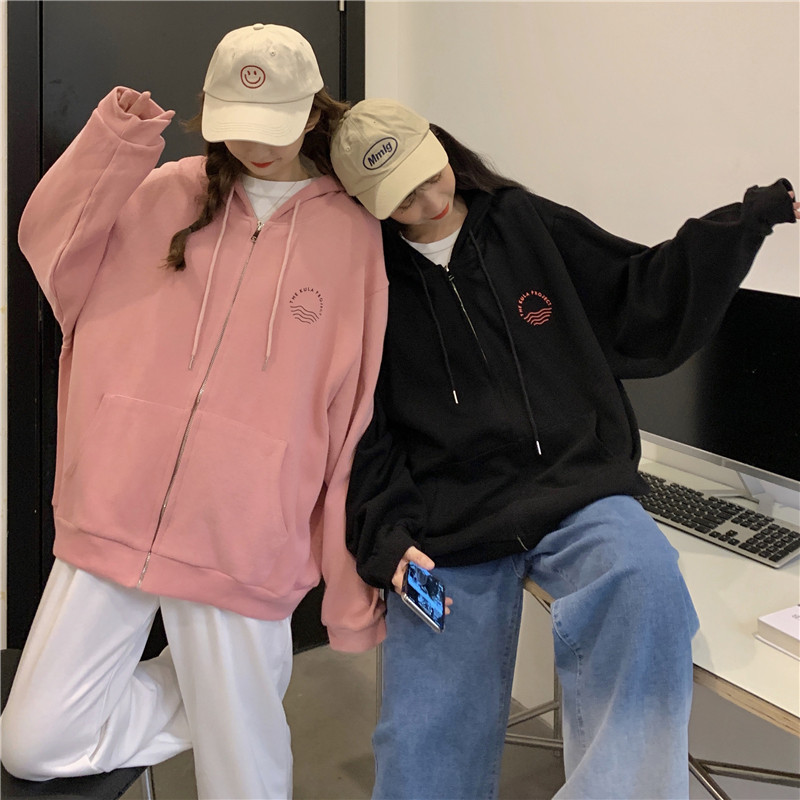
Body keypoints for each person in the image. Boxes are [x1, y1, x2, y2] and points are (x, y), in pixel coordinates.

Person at [330, 98, 799, 799]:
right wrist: (384, 531)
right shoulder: (369, 276)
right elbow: (359, 419)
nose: (429, 201)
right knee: (426, 728)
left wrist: (747, 220)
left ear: (442, 147)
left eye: (431, 174)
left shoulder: (525, 223)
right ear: (368, 205)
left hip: (577, 490)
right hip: (447, 521)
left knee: (647, 584)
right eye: (401, 198)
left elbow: (638, 293)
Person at [1, 24, 387, 799]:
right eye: (238, 125)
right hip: (113, 511)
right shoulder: (162, 193)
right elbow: (49, 245)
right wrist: (116, 141)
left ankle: (230, 697)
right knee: (33, 744)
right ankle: (212, 691)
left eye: (275, 124)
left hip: (242, 536)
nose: (256, 146)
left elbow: (355, 418)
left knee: (242, 780)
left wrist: (347, 589)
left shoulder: (354, 236)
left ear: (313, 112)